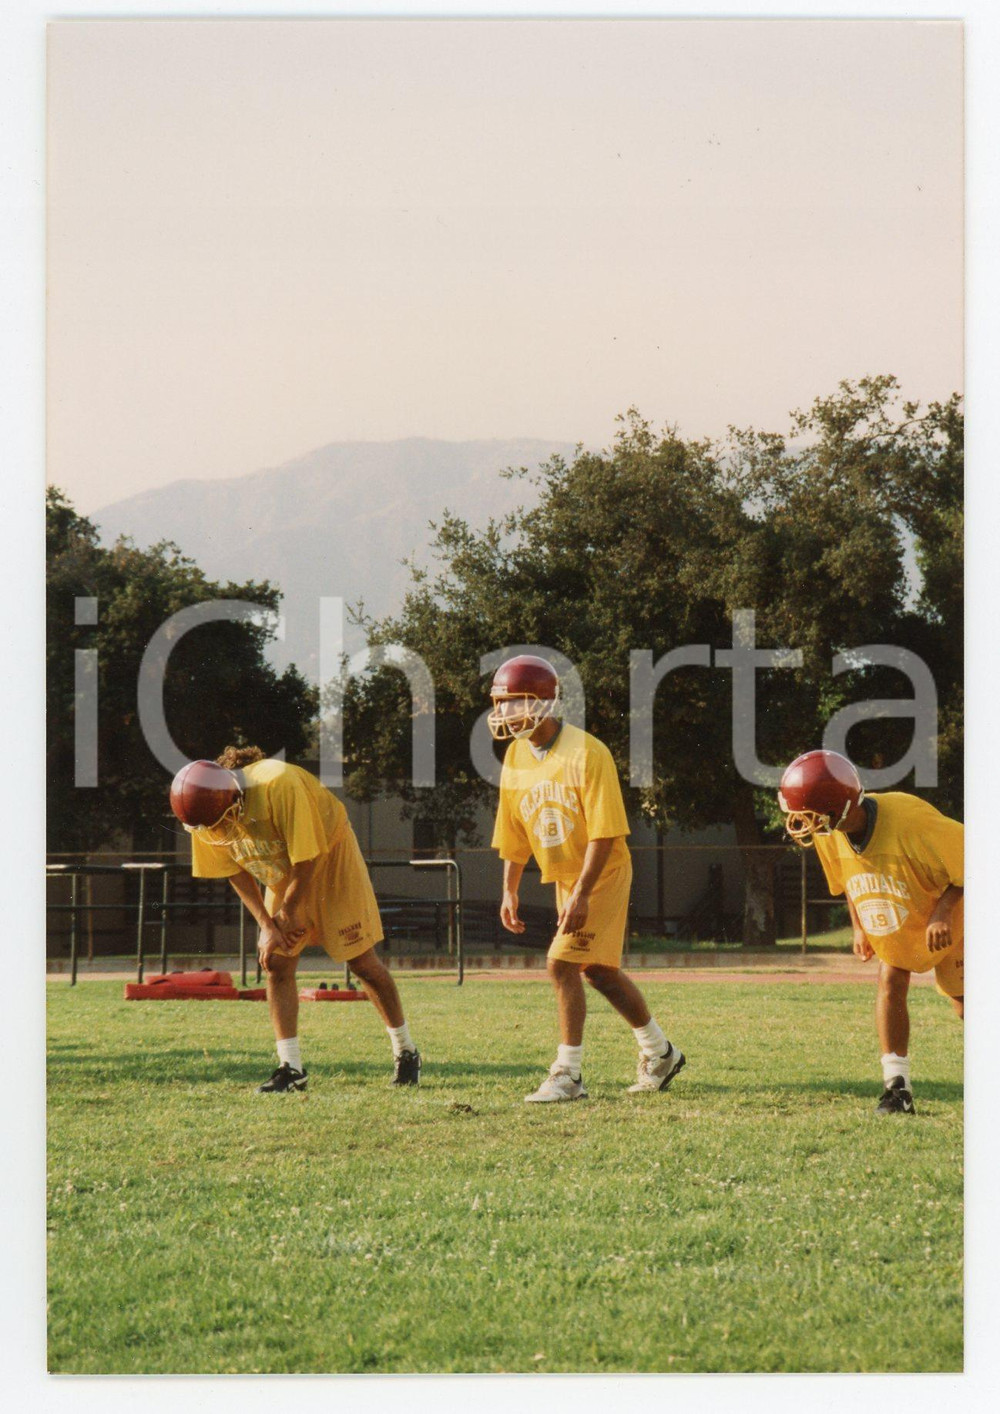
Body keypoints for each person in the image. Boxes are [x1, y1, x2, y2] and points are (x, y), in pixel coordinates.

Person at [488, 655, 685, 1102]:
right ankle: (661, 1053)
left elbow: (604, 832)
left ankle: (569, 1074)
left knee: (560, 965)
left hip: (603, 873)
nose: (505, 715)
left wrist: (581, 893)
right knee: (598, 972)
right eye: (500, 705)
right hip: (566, 878)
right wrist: (509, 887)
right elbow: (514, 832)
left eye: (514, 704)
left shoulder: (587, 751)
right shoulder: (516, 755)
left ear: (543, 702)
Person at [169, 746, 420, 1092]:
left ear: (234, 796)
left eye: (223, 820)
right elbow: (234, 871)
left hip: (329, 854)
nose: (220, 830)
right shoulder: (204, 814)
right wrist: (267, 925)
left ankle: (406, 1050)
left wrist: (289, 911)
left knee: (360, 962)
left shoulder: (279, 783)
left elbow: (309, 856)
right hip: (283, 865)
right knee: (275, 960)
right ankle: (291, 1067)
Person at [778, 749, 963, 1115]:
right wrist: (859, 926)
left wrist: (943, 911)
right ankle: (898, 1088)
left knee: (966, 1006)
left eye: (808, 813)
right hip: (904, 913)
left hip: (956, 918)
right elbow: (849, 882)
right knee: (890, 980)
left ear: (836, 808)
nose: (800, 822)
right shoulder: (830, 834)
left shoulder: (912, 820)